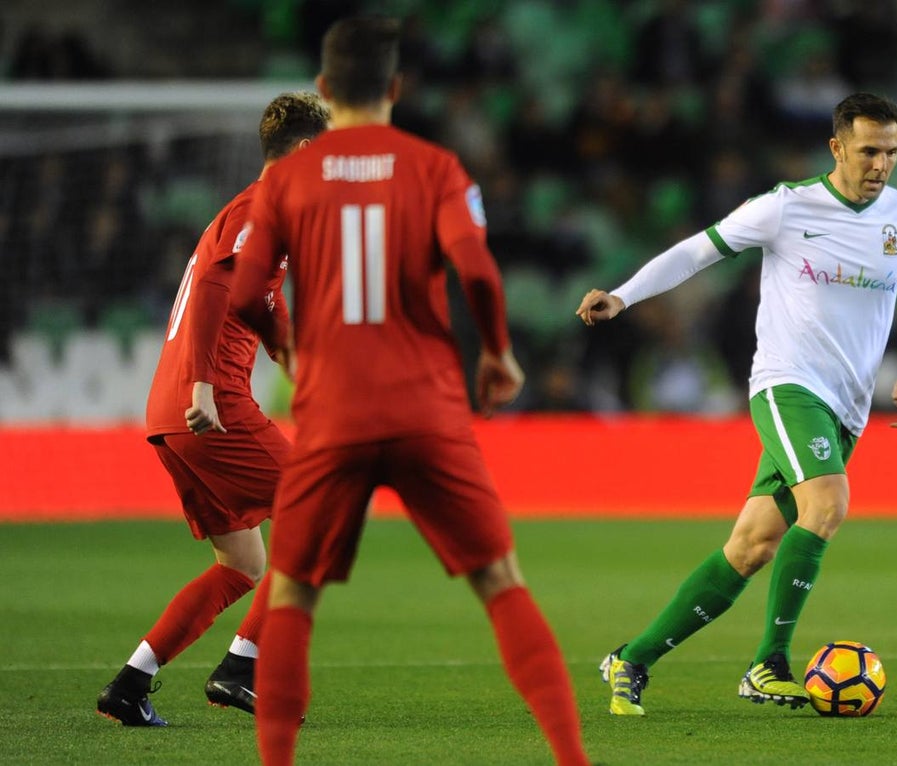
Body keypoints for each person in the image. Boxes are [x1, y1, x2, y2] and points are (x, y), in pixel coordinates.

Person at [229, 17, 589, 766]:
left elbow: (244, 294)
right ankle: (571, 758)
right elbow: (480, 271)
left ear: (325, 90)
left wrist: (286, 347)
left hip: (332, 413)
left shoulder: (286, 180)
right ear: (396, 88)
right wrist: (496, 352)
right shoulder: (436, 167)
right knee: (499, 580)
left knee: (293, 592)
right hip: (426, 408)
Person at [576, 92, 897, 715]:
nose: (881, 164)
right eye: (869, 150)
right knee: (827, 503)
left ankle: (631, 658)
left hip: (847, 406)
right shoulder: (786, 207)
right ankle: (768, 662)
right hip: (788, 384)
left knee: (752, 547)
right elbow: (698, 249)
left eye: (892, 152)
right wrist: (625, 296)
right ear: (837, 148)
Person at [96, 91, 331, 727]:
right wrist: (204, 383)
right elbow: (213, 288)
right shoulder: (262, 208)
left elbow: (254, 300)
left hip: (170, 412)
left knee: (244, 563)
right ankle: (240, 670)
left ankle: (129, 683)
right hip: (210, 403)